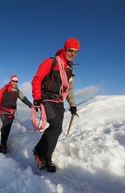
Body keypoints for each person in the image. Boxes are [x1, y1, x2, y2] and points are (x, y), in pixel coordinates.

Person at [31, 38, 80, 172]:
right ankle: (38, 151)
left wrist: (73, 105)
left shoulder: (70, 69)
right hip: (46, 98)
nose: (73, 54)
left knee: (57, 130)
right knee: (56, 126)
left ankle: (47, 157)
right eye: (71, 50)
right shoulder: (51, 62)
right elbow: (37, 80)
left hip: (59, 101)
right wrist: (37, 98)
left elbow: (69, 89)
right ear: (65, 49)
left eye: (76, 52)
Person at [0, 75, 32, 154]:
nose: (14, 82)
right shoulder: (4, 88)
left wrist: (31, 105)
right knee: (5, 126)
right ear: (10, 80)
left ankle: (4, 143)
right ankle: (3, 145)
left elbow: (23, 98)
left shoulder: (18, 91)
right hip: (3, 111)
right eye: (13, 81)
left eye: (16, 81)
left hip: (12, 112)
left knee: (8, 128)